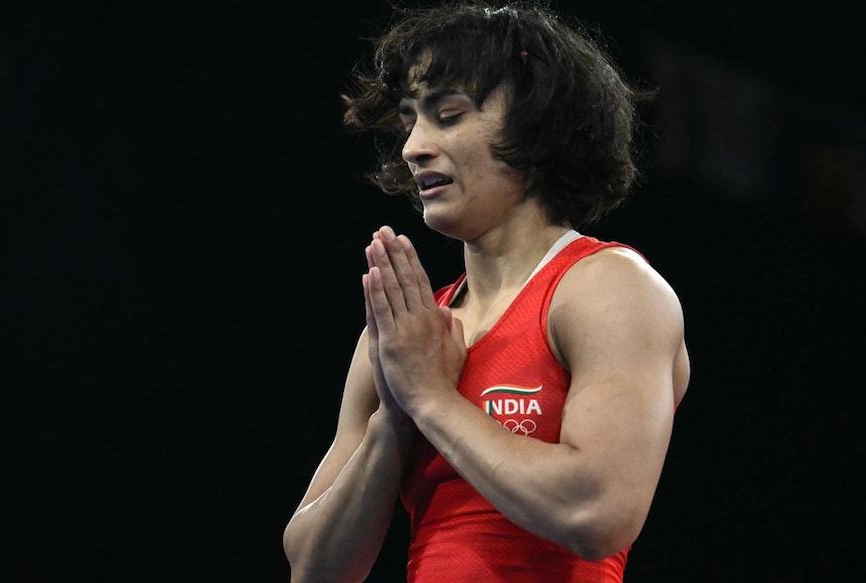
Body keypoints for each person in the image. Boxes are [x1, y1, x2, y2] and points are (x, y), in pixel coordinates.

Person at [283, 1, 689, 581]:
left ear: (536, 123)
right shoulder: (409, 337)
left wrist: (431, 400)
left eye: (447, 115)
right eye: (410, 120)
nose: (413, 147)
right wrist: (395, 419)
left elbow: (598, 513)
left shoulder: (609, 288)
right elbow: (313, 569)